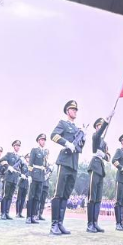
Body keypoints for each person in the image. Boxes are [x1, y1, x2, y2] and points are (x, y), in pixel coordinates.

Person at [50, 100, 84, 235]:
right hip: (64, 161)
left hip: (74, 163)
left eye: (76, 110)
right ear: (67, 111)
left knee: (66, 195)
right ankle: (54, 224)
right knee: (58, 194)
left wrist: (83, 138)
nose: (75, 111)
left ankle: (60, 223)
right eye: (73, 109)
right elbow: (53, 135)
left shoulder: (77, 129)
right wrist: (66, 143)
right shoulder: (63, 123)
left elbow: (79, 148)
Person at [86, 117, 110, 233]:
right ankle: (90, 224)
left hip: (101, 168)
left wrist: (103, 155)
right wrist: (106, 122)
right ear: (96, 127)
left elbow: (109, 157)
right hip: (94, 166)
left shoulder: (104, 143)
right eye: (99, 126)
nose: (101, 128)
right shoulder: (95, 137)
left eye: (102, 125)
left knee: (98, 199)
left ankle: (95, 223)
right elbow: (99, 134)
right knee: (92, 197)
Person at [26, 134, 50, 224]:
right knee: (31, 196)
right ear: (38, 141)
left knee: (37, 197)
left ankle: (34, 215)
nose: (43, 142)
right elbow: (30, 163)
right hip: (34, 175)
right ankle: (28, 216)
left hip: (41, 176)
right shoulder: (34, 150)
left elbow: (45, 165)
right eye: (42, 140)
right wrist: (29, 175)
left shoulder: (45, 152)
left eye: (44, 140)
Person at [0, 140, 24, 220]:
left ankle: (7, 212)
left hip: (15, 178)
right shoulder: (9, 154)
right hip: (8, 177)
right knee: (5, 195)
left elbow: (22, 167)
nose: (18, 147)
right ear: (13, 146)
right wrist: (8, 166)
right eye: (16, 145)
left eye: (19, 146)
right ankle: (3, 213)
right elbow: (1, 160)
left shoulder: (20, 157)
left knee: (10, 196)